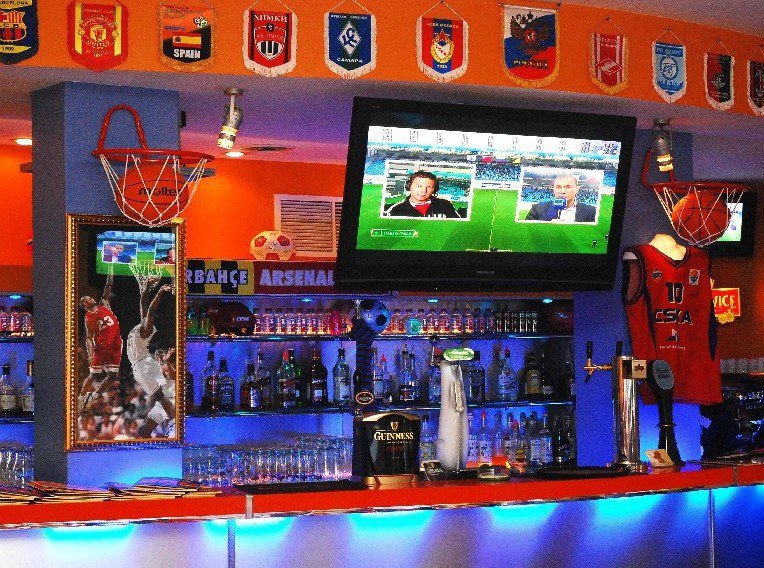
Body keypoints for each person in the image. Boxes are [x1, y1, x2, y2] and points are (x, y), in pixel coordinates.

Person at [126, 279, 176, 438]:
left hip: (143, 365)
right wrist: (147, 287)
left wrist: (159, 292)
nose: (147, 319)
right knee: (145, 429)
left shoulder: (144, 331)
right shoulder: (141, 328)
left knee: (161, 395)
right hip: (141, 366)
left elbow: (151, 310)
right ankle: (170, 422)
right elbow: (144, 305)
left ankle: (174, 423)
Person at [79, 272, 122, 412]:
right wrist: (90, 353)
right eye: (87, 298)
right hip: (102, 346)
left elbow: (107, 290)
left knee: (112, 376)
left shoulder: (104, 305)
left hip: (116, 343)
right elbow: (88, 337)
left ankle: (93, 396)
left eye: (90, 297)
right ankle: (80, 399)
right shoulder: (89, 317)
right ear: (84, 305)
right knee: (93, 375)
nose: (91, 298)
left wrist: (110, 277)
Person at [386, 170, 460, 218]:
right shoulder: (396, 210)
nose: (423, 191)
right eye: (419, 186)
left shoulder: (445, 205)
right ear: (409, 186)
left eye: (429, 187)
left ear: (434, 189)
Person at [525, 174, 596, 222]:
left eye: (568, 187)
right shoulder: (537, 209)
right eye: (558, 187)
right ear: (553, 189)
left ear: (577, 189)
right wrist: (548, 227)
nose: (562, 191)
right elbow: (527, 232)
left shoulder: (591, 211)